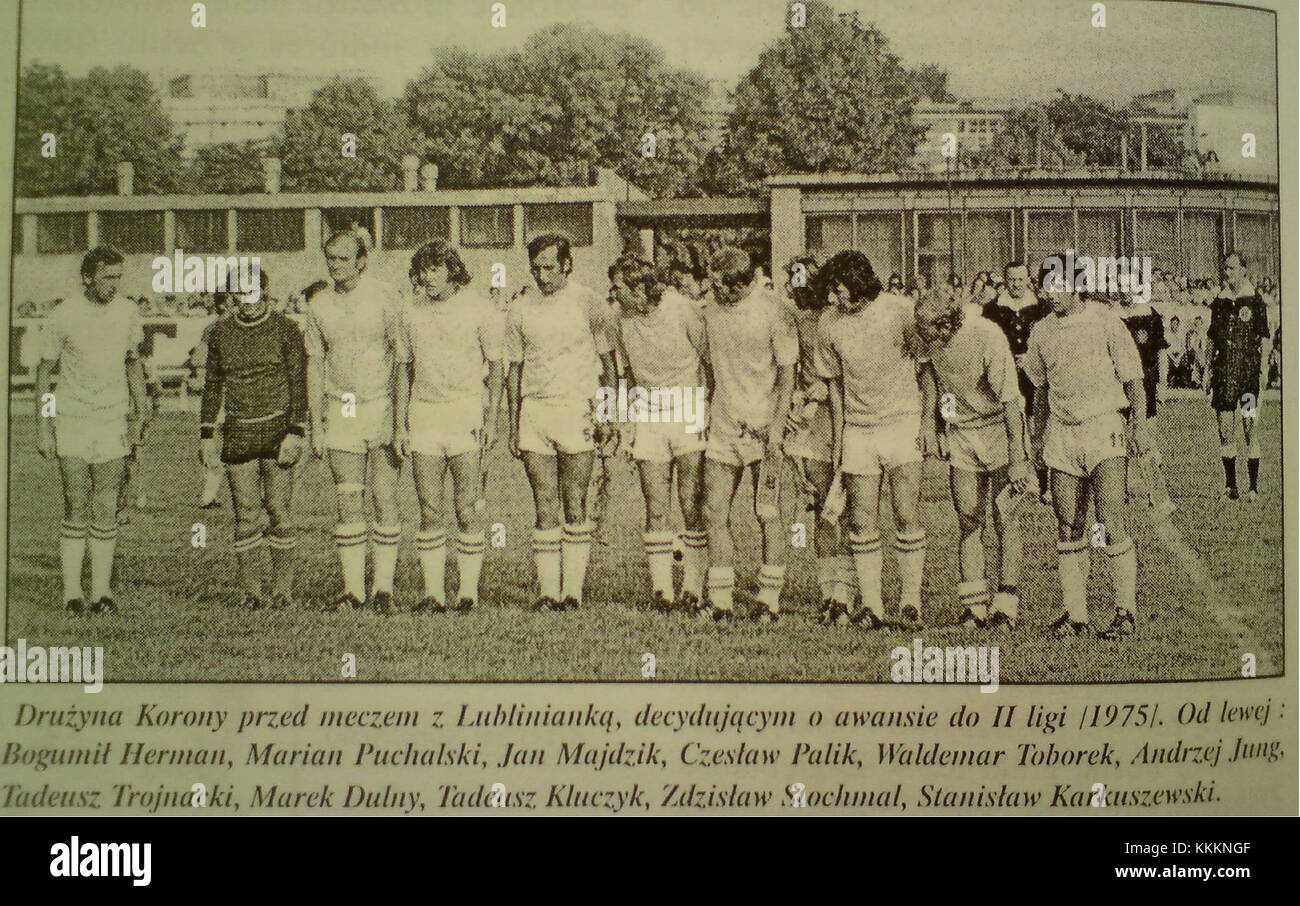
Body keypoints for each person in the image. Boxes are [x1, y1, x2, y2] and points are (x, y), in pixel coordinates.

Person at [1024, 252, 1150, 639]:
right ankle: (1075, 614)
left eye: (1057, 286)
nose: (1049, 294)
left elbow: (1134, 383)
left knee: (1111, 520)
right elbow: (1041, 391)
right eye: (1045, 287)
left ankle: (1124, 612)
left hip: (1103, 427)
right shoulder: (1041, 331)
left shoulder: (1106, 321)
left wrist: (1140, 429)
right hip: (1063, 432)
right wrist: (1035, 437)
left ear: (1077, 285)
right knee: (1068, 523)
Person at [816, 250, 934, 631]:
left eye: (839, 289)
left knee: (905, 513)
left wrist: (929, 422)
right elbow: (833, 384)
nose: (834, 298)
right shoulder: (828, 323)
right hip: (859, 429)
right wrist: (840, 435)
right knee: (861, 519)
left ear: (860, 283)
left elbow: (927, 367)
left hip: (902, 422)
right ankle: (871, 605)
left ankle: (910, 602)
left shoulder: (900, 310)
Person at [506, 233, 618, 612]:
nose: (541, 275)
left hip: (576, 408)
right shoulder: (520, 308)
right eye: (535, 268)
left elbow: (607, 365)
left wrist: (606, 413)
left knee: (575, 502)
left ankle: (573, 592)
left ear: (568, 265)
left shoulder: (589, 302)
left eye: (549, 267)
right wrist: (513, 422)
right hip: (535, 410)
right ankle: (548, 592)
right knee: (544, 503)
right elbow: (514, 369)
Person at [34, 246, 149, 615]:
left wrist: (140, 406)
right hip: (72, 419)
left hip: (112, 418)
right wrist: (44, 426)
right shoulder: (63, 315)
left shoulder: (128, 312)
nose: (114, 285)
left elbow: (133, 363)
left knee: (106, 502)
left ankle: (101, 593)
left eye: (118, 277)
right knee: (75, 502)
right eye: (107, 277)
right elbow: (44, 376)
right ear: (87, 277)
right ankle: (71, 593)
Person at [305, 230, 409, 613]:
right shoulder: (318, 305)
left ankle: (383, 590)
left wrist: (397, 421)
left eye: (344, 258)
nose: (336, 265)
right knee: (348, 498)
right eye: (330, 258)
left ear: (361, 261)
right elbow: (315, 364)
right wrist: (316, 424)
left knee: (384, 497)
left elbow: (401, 361)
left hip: (379, 403)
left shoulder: (385, 298)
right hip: (343, 405)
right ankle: (353, 591)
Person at [396, 240, 502, 613]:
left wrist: (491, 419)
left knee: (467, 507)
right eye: (423, 270)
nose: (428, 277)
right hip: (424, 413)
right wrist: (400, 424)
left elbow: (497, 367)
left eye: (436, 269)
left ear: (453, 270)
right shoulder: (410, 311)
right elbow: (404, 369)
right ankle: (433, 594)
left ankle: (468, 593)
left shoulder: (479, 309)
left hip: (466, 412)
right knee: (428, 507)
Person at [916, 289, 1028, 632]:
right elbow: (932, 377)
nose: (924, 337)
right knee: (968, 518)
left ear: (947, 323)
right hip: (962, 432)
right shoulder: (929, 337)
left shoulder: (987, 335)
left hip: (997, 427)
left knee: (1004, 517)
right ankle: (974, 607)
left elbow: (1010, 400)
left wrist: (1018, 457)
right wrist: (930, 423)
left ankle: (1006, 605)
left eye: (929, 330)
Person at [199, 268, 307, 609]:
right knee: (246, 513)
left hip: (278, 429)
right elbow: (213, 386)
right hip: (239, 430)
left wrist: (296, 430)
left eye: (251, 292)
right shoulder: (219, 333)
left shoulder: (286, 328)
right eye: (237, 294)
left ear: (264, 290)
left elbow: (298, 382)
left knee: (278, 509)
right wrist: (206, 434)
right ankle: (251, 592)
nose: (245, 302)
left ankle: (282, 590)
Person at [700, 246, 797, 623]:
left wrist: (776, 425)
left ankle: (769, 599)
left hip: (763, 431)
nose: (714, 291)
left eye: (721, 285)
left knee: (768, 513)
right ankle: (720, 599)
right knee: (714, 511)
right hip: (724, 428)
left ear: (742, 284)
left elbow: (787, 373)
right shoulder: (709, 312)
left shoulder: (773, 310)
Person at [609, 254, 710, 612]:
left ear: (639, 287)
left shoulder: (682, 309)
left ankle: (693, 588)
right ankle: (662, 591)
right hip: (649, 416)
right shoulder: (619, 320)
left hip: (688, 411)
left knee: (691, 503)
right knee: (655, 506)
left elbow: (708, 363)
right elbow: (626, 376)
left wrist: (706, 411)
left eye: (618, 287)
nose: (613, 294)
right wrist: (623, 424)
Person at [783, 256, 854, 624]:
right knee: (819, 509)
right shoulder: (792, 319)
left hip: (841, 416)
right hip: (809, 421)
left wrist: (823, 388)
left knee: (841, 507)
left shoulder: (837, 320)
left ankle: (847, 592)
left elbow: (843, 373)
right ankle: (831, 594)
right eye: (793, 283)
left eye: (804, 282)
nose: (799, 290)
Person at [983, 260, 1051, 499]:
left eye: (1021, 279)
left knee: (1038, 428)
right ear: (1005, 280)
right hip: (1006, 376)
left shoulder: (1042, 308)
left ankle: (1044, 482)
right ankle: (1019, 480)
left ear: (1028, 281)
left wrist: (1031, 359)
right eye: (1011, 279)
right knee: (1014, 426)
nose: (1016, 284)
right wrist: (1009, 360)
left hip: (1036, 377)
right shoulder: (993, 309)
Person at [1206, 252, 1270, 502]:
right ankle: (1230, 487)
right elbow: (1211, 338)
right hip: (1224, 372)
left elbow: (1263, 339)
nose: (1227, 273)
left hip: (1247, 373)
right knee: (1225, 429)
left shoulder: (1255, 301)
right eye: (1225, 269)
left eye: (1232, 268)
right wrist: (1207, 369)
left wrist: (1262, 371)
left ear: (1244, 270)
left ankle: (1253, 487)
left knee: (1249, 426)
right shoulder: (1220, 301)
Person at [1118, 294, 1167, 417]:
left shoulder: (1150, 315)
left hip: (1145, 378)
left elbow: (1161, 352)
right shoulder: (1112, 315)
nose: (1124, 290)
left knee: (1144, 422)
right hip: (1119, 379)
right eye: (1120, 284)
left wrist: (1162, 383)